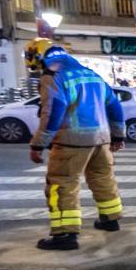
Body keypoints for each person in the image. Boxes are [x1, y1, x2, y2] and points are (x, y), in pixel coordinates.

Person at [31, 46, 125, 251]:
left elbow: (53, 111)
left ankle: (65, 234)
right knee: (103, 178)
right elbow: (115, 106)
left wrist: (39, 143)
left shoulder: (54, 77)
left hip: (71, 140)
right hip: (100, 139)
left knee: (62, 184)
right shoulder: (93, 75)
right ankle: (110, 220)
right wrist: (118, 135)